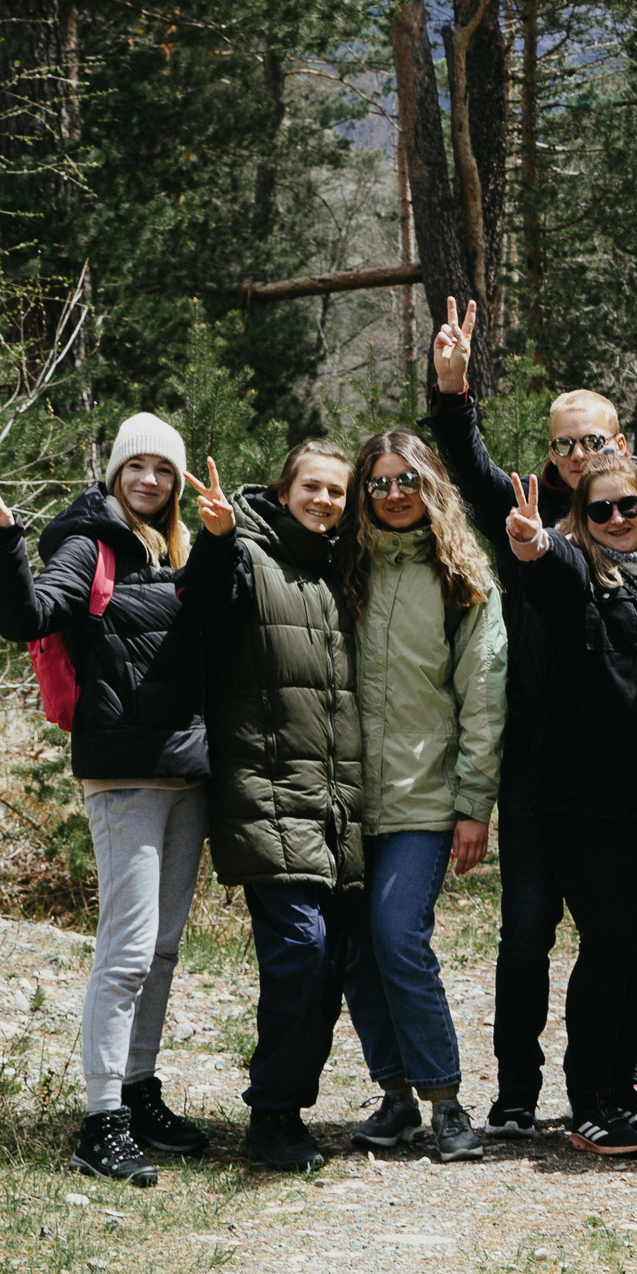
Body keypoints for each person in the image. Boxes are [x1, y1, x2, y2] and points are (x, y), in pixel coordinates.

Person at [0, 411, 211, 1188]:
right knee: (128, 950)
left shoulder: (181, 549)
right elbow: (26, 616)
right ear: (114, 474)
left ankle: (139, 1090)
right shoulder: (90, 542)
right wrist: (2, 541)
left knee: (164, 947)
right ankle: (99, 1118)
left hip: (187, 771)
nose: (149, 479)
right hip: (125, 774)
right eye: (135, 466)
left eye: (162, 469)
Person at [425, 295, 622, 1135]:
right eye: (563, 442)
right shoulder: (524, 506)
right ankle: (515, 1091)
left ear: (621, 445)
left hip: (616, 777)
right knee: (526, 937)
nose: (578, 455)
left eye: (594, 441)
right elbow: (465, 464)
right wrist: (453, 388)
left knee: (609, 946)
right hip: (537, 771)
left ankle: (599, 1088)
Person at [501, 447, 637, 1164]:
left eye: (628, 506)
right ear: (581, 519)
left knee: (627, 949)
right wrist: (534, 543)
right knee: (609, 940)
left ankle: (621, 1092)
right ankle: (588, 1103)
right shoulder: (579, 575)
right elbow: (551, 575)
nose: (617, 519)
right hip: (581, 799)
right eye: (600, 510)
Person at [183, 436, 366, 1177]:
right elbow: (205, 596)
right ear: (284, 489)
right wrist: (217, 539)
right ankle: (272, 1114)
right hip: (266, 796)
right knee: (300, 952)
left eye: (336, 492)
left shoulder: (345, 574)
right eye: (312, 487)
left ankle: (286, 1107)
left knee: (329, 967)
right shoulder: (247, 556)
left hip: (336, 802)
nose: (324, 500)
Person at [335, 427, 509, 1167]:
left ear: (431, 487)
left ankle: (446, 1102)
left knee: (398, 937)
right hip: (344, 797)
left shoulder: (462, 576)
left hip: (424, 794)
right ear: (361, 494)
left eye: (408, 481)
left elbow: (485, 693)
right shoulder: (343, 567)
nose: (394, 495)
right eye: (379, 483)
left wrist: (474, 803)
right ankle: (396, 1096)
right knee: (354, 951)